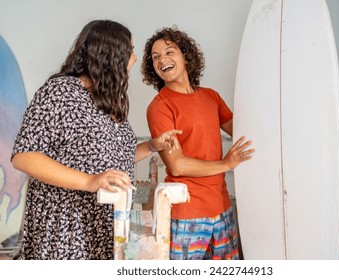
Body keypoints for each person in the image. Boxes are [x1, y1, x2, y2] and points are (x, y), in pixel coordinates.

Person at [11, 20, 181, 260]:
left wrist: (152, 145)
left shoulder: (108, 101)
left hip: (103, 227)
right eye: (130, 50)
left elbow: (114, 158)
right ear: (110, 54)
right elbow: (24, 156)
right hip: (67, 229)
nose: (134, 58)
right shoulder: (60, 91)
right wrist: (90, 181)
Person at [141, 27, 255, 260]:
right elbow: (177, 166)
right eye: (155, 57)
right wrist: (226, 164)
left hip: (222, 209)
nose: (162, 60)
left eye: (169, 52)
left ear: (185, 55)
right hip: (187, 214)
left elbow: (245, 133)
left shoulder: (211, 97)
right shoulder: (160, 107)